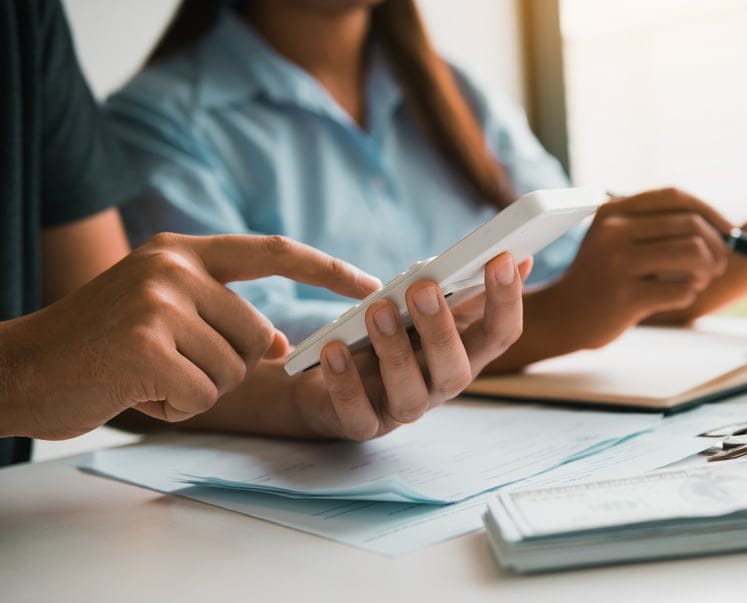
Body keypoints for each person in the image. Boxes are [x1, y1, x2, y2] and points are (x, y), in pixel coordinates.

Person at [107, 0, 747, 375]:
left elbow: (590, 275)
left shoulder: (459, 97)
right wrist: (568, 313)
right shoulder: (155, 125)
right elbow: (245, 354)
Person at [0, 0, 528, 467]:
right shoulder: (162, 117)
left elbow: (116, 354)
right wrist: (20, 372)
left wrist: (300, 399)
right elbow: (86, 357)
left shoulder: (30, 19)